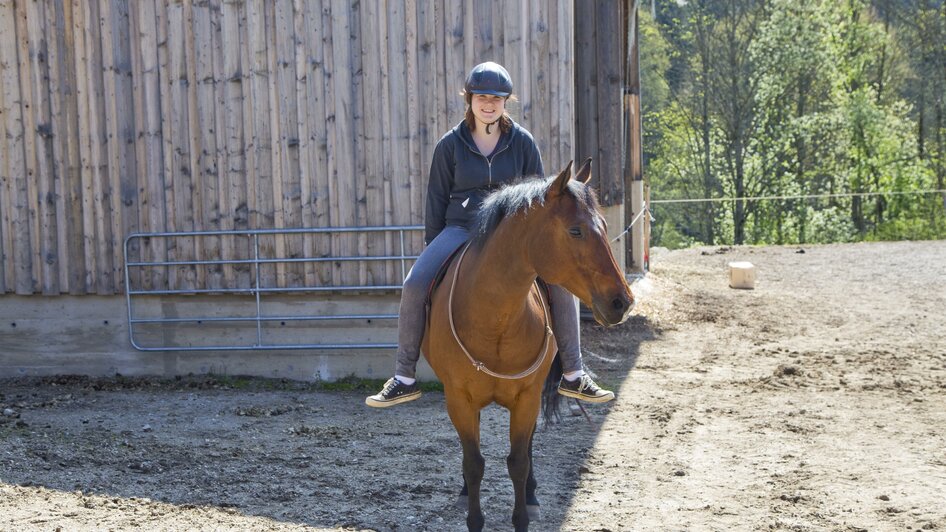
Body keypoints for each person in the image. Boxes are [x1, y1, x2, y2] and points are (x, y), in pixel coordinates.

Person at [365, 62, 613, 408]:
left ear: (505, 102)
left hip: (512, 238)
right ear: (469, 99)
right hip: (460, 229)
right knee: (415, 283)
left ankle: (574, 373)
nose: (488, 104)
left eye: (496, 98)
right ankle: (404, 376)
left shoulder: (523, 142)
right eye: (481, 97)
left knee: (559, 286)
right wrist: (434, 247)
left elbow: (541, 198)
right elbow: (436, 198)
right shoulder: (450, 145)